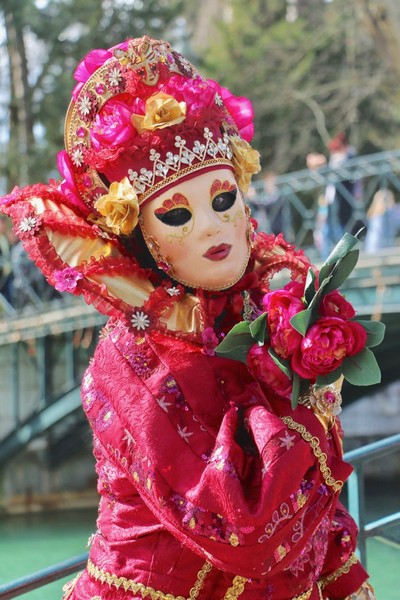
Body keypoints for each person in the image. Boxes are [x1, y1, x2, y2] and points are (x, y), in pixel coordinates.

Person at [0, 36, 375, 600]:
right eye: (177, 214)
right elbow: (241, 524)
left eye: (223, 199)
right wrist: (313, 402)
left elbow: (313, 518)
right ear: (138, 241)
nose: (211, 228)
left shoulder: (259, 307)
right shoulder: (132, 359)